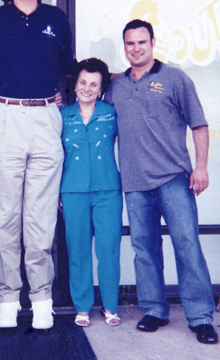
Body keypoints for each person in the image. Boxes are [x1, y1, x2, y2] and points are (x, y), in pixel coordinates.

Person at [0, 0, 76, 329]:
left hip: (46, 117)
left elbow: (69, 69)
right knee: (7, 214)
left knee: (41, 216)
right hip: (6, 116)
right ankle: (7, 298)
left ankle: (42, 298)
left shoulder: (56, 19)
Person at [105, 19, 218, 345]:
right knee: (145, 248)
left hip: (173, 179)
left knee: (187, 245)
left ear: (153, 42)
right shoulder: (118, 87)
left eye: (142, 42)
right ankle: (154, 309)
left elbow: (198, 125)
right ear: (124, 46)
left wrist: (200, 168)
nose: (136, 48)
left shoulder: (175, 79)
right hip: (135, 183)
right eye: (130, 43)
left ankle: (200, 317)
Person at [60, 58, 122, 328]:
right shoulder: (61, 116)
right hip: (72, 191)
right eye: (83, 82)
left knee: (109, 249)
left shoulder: (112, 113)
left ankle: (110, 306)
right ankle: (82, 307)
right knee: (78, 249)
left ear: (101, 88)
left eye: (94, 84)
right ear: (75, 84)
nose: (87, 88)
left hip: (108, 190)